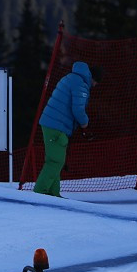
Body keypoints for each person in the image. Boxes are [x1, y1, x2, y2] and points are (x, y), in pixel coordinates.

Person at [33, 61, 102, 197]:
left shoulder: (71, 78)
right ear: (93, 78)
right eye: (96, 83)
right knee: (55, 161)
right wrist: (85, 125)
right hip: (56, 126)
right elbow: (78, 109)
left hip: (53, 124)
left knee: (57, 161)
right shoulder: (81, 84)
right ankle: (39, 193)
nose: (94, 86)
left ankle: (53, 194)